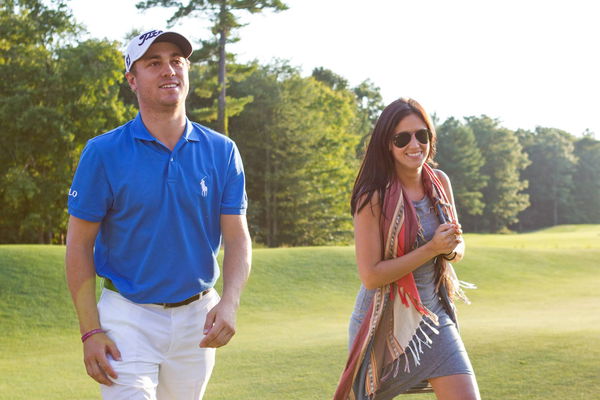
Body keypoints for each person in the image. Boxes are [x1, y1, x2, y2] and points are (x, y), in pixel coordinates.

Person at [65, 29, 251, 400]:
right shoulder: (102, 153)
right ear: (132, 80)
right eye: (154, 63)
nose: (169, 70)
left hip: (198, 319)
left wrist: (229, 302)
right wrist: (90, 331)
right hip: (127, 316)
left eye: (177, 61)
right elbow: (78, 246)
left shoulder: (223, 151)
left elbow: (237, 237)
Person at [333, 98, 480, 400]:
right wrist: (431, 248)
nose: (415, 145)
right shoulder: (372, 197)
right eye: (402, 138)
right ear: (387, 144)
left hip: (433, 319)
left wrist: (450, 248)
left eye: (421, 135)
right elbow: (371, 277)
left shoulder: (439, 182)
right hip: (383, 322)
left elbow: (457, 248)